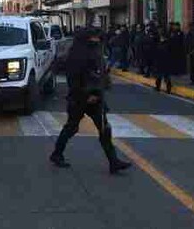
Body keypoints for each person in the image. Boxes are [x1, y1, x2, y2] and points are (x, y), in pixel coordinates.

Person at [50, 28, 132, 174]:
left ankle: (113, 162)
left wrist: (103, 85)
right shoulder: (77, 55)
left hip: (96, 98)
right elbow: (75, 79)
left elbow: (99, 73)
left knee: (104, 129)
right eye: (94, 37)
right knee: (72, 127)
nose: (97, 40)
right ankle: (56, 154)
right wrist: (87, 95)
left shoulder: (95, 51)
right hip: (81, 98)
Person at [153, 28, 173, 94]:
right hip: (161, 61)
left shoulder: (166, 44)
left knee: (164, 76)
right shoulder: (161, 43)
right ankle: (159, 87)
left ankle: (167, 88)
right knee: (161, 76)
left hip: (164, 62)